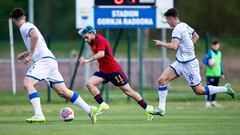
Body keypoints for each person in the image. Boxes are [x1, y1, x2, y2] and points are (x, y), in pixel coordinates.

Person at [11, 8, 97, 124]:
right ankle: (89, 109)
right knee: (63, 92)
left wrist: (30, 55)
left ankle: (39, 115)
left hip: (45, 61)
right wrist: (27, 53)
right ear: (24, 16)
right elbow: (38, 43)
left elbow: (34, 37)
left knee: (27, 83)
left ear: (13, 21)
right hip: (49, 60)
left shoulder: (24, 27)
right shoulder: (28, 25)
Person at [152, 8, 235, 116]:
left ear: (171, 18)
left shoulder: (177, 29)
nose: (167, 22)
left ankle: (225, 88)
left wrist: (160, 43)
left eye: (167, 20)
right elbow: (196, 36)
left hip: (189, 64)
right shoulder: (184, 25)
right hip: (179, 62)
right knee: (162, 80)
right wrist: (188, 46)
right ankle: (161, 108)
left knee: (199, 91)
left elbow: (173, 46)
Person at [78, 25, 154, 121]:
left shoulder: (99, 39)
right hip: (103, 71)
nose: (85, 40)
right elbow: (98, 53)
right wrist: (85, 58)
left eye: (86, 37)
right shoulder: (91, 42)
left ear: (92, 33)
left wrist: (88, 60)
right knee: (89, 83)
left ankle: (148, 108)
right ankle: (103, 104)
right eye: (83, 38)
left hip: (114, 71)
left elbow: (101, 54)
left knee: (128, 91)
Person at [202, 40, 225, 107]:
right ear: (212, 46)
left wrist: (222, 73)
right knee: (209, 88)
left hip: (217, 74)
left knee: (215, 88)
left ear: (219, 46)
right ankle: (207, 102)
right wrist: (208, 63)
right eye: (214, 45)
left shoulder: (220, 53)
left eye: (217, 45)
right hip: (210, 74)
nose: (216, 47)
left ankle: (213, 101)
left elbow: (220, 63)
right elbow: (204, 60)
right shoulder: (210, 53)